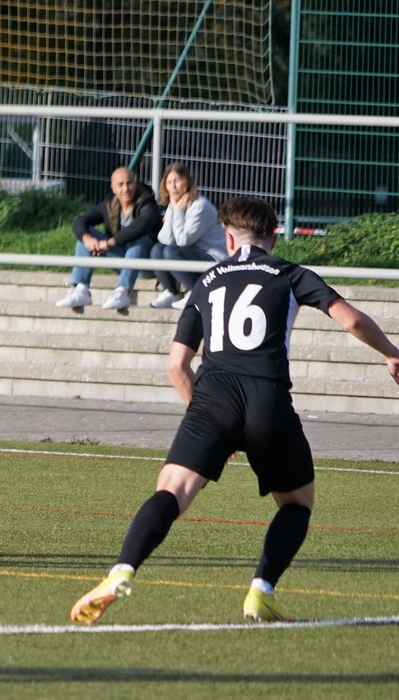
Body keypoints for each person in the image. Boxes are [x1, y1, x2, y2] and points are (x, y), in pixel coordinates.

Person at [69, 197, 399, 625]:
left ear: (228, 240)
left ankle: (121, 571)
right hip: (268, 399)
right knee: (296, 503)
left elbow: (177, 365)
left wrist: (210, 425)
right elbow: (352, 320)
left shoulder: (208, 280)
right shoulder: (291, 273)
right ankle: (261, 591)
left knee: (171, 491)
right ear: (273, 238)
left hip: (214, 397)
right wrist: (391, 353)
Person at [56, 167, 162, 311]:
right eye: (120, 184)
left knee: (141, 240)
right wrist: (88, 238)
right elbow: (80, 221)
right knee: (86, 236)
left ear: (135, 183)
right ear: (113, 188)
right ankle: (81, 289)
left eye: (129, 183)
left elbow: (140, 226)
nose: (125, 189)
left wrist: (109, 242)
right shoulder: (109, 205)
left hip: (146, 265)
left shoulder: (148, 204)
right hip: (122, 260)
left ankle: (122, 292)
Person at [148, 162, 226, 310]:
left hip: (213, 257)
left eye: (177, 181)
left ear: (186, 181)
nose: (173, 186)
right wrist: (173, 210)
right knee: (157, 249)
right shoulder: (174, 205)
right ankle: (171, 291)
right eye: (169, 183)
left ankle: (194, 293)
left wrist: (177, 212)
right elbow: (165, 240)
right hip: (192, 253)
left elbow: (183, 241)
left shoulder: (199, 205)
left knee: (170, 252)